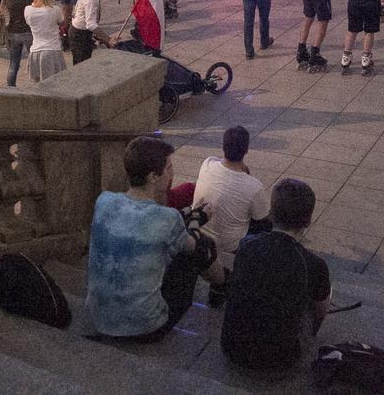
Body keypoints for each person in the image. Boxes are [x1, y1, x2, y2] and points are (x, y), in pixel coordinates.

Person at [85, 136, 224, 341]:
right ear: (153, 177)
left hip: (98, 318)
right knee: (203, 246)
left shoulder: (104, 200)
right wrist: (196, 219)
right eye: (168, 168)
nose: (171, 173)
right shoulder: (167, 218)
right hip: (146, 327)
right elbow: (193, 246)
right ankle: (223, 285)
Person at [221, 178, 330, 374]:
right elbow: (320, 311)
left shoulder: (246, 246)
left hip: (232, 349)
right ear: (307, 221)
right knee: (322, 294)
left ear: (271, 214)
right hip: (280, 361)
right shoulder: (313, 264)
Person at [193, 125, 271, 306]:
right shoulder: (254, 186)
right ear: (247, 150)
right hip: (230, 245)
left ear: (223, 146)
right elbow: (262, 221)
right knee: (263, 221)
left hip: (200, 234)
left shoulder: (207, 164)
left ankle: (218, 284)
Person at [69, 0, 117, 65]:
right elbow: (91, 24)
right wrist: (108, 39)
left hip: (82, 32)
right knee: (81, 68)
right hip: (80, 35)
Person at [24, 0, 66, 83]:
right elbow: (62, 22)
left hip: (35, 51)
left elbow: (29, 23)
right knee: (56, 84)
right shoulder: (55, 9)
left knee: (38, 87)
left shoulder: (28, 10)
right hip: (53, 51)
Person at [0, 0, 33, 87]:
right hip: (28, 32)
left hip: (13, 33)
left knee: (13, 63)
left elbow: (2, 13)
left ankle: (10, 87)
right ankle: (36, 84)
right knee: (33, 61)